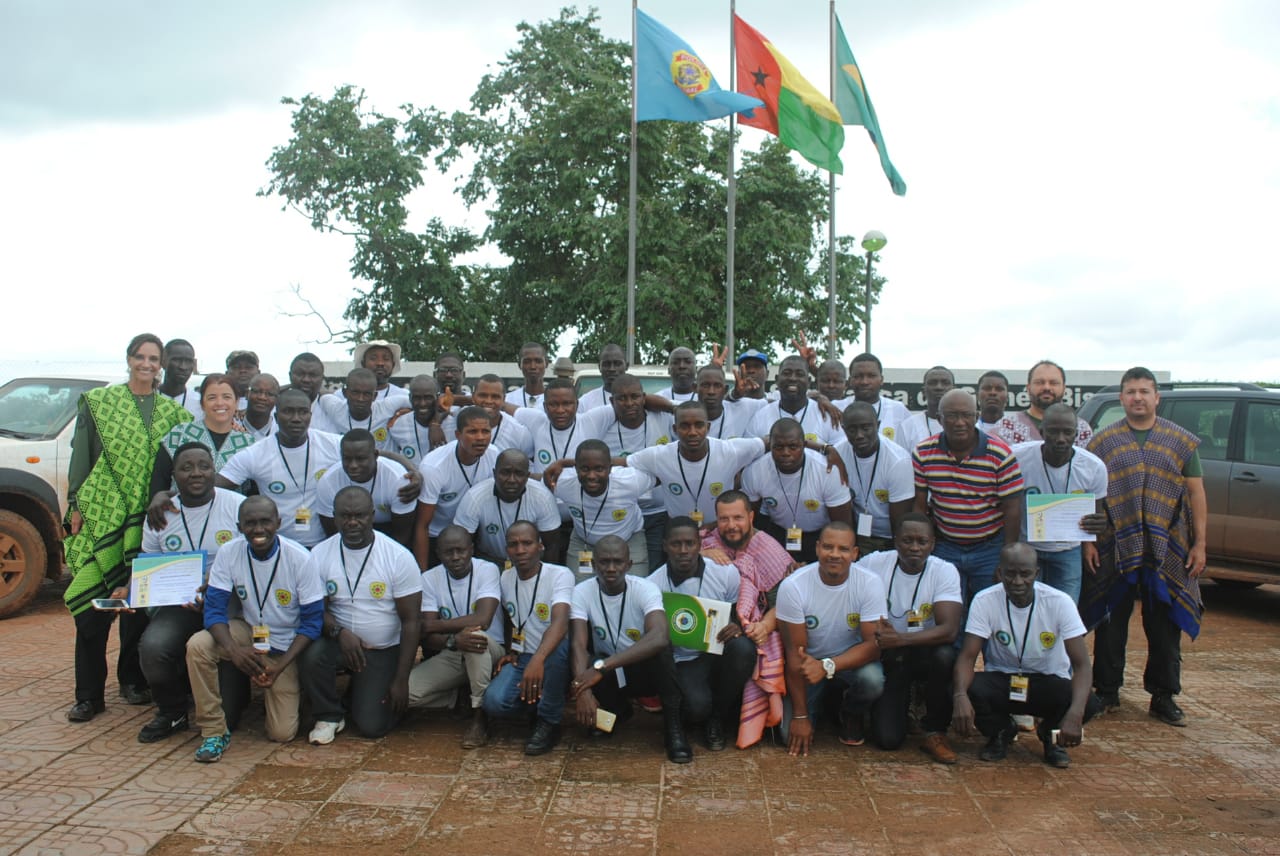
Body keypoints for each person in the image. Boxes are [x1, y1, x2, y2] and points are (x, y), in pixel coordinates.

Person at [64, 333, 192, 722]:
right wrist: (75, 503)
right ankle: (88, 695)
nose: (147, 364)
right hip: (102, 514)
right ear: (129, 359)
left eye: (154, 358)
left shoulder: (175, 415)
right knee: (91, 605)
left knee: (136, 607)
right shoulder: (101, 403)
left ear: (162, 364)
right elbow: (82, 455)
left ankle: (132, 681)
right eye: (141, 356)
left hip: (149, 524)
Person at [1084, 367, 1207, 726]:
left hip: (1168, 544)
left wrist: (1199, 544)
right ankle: (1106, 690)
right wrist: (1089, 542)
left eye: (1144, 391)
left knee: (1165, 621)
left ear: (1157, 398)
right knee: (1111, 619)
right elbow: (1090, 495)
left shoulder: (1181, 441)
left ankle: (1164, 694)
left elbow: (1196, 492)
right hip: (1115, 543)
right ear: (1121, 398)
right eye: (1131, 392)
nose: (1138, 397)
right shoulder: (1102, 442)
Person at [185, 496, 324, 762]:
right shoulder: (229, 552)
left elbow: (312, 623)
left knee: (281, 733)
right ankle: (214, 730)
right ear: (239, 526)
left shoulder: (300, 558)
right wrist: (233, 651)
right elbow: (214, 611)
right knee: (198, 646)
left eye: (265, 522)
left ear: (278, 523)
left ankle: (299, 691)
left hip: (284, 643)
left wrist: (279, 666)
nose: (258, 530)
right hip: (247, 630)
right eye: (250, 523)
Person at [952, 543, 1103, 768]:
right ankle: (1002, 731)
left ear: (1037, 573)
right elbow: (967, 656)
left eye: (1025, 574)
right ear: (999, 572)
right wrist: (960, 696)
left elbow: (1081, 665)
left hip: (1047, 682)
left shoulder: (1060, 602)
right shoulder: (985, 600)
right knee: (961, 688)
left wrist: (1075, 714)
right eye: (1010, 574)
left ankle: (1051, 736)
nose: (1018, 581)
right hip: (1004, 681)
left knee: (1088, 702)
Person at [136, 442, 245, 743]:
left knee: (232, 717)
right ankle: (172, 712)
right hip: (180, 604)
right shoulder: (161, 514)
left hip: (230, 605)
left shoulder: (236, 506)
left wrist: (218, 587)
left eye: (203, 466)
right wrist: (135, 591)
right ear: (174, 475)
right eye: (186, 467)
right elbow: (150, 565)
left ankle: (235, 696)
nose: (196, 473)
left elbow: (254, 560)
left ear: (214, 470)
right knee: (154, 647)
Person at [299, 487, 422, 743]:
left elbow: (411, 622)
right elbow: (314, 611)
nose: (352, 522)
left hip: (383, 648)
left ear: (373, 515)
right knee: (312, 655)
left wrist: (401, 679)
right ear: (334, 517)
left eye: (360, 515)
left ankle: (362, 692)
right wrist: (339, 632)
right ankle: (329, 715)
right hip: (340, 643)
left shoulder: (398, 557)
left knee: (371, 726)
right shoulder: (319, 554)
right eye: (345, 516)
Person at [568, 535, 692, 763]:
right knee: (582, 657)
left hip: (642, 669)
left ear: (629, 564)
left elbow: (659, 636)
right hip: (610, 673)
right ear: (594, 565)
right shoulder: (581, 591)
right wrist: (582, 690)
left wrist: (603, 666)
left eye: (617, 562)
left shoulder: (646, 588)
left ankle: (674, 729)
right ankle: (617, 712)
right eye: (604, 562)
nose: (611, 568)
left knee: (662, 653)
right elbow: (577, 643)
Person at [776, 522, 886, 754]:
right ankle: (823, 705)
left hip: (849, 662)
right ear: (817, 548)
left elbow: (873, 647)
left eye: (843, 549)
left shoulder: (870, 583)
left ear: (855, 553)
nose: (835, 554)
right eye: (828, 547)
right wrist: (800, 716)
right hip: (808, 668)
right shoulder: (793, 586)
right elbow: (795, 655)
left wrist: (828, 666)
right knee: (788, 735)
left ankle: (850, 712)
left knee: (873, 680)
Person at [861, 513, 963, 763]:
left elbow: (949, 629)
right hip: (890, 655)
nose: (915, 547)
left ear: (933, 543)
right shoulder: (874, 563)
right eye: (907, 540)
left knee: (946, 655)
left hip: (925, 652)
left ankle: (934, 729)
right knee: (888, 740)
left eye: (922, 541)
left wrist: (901, 639)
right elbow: (845, 579)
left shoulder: (944, 571)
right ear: (895, 541)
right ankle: (901, 708)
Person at [650, 517, 756, 751]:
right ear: (665, 545)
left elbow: (735, 612)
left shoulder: (725, 573)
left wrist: (736, 626)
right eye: (676, 544)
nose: (684, 551)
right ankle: (702, 712)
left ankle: (717, 718)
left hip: (717, 651)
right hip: (684, 659)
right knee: (696, 709)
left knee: (743, 649)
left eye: (689, 543)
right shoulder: (653, 584)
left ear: (700, 544)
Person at [700, 490, 796, 748]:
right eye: (723, 519)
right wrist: (703, 555)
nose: (731, 526)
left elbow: (783, 603)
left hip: (754, 626)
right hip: (710, 623)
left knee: (744, 650)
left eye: (738, 518)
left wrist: (763, 625)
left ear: (751, 517)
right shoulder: (707, 545)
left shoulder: (768, 548)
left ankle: (722, 716)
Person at [913, 389, 1024, 607]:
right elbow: (919, 505)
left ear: (976, 416)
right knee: (949, 609)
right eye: (952, 416)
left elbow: (1012, 509)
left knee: (988, 608)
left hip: (989, 548)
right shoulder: (924, 452)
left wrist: (1006, 556)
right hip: (946, 546)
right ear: (939, 419)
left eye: (967, 415)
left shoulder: (1000, 454)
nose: (960, 422)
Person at [483, 521, 575, 755]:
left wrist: (538, 660)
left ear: (540, 546)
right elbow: (511, 618)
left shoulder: (559, 575)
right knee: (494, 702)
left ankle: (549, 721)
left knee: (560, 648)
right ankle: (538, 701)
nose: (520, 550)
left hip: (552, 656)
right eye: (513, 545)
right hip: (523, 656)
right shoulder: (505, 578)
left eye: (527, 543)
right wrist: (510, 651)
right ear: (507, 550)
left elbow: (561, 623)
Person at [408, 525, 504, 748]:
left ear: (471, 549)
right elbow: (427, 637)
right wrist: (452, 640)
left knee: (476, 637)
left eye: (461, 550)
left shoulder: (488, 570)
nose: (455, 557)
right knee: (408, 694)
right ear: (438, 554)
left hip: (491, 649)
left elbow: (483, 618)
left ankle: (480, 717)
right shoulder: (429, 578)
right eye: (448, 552)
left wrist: (437, 625)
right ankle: (457, 698)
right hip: (453, 650)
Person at [211, 389, 341, 550]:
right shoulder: (256, 454)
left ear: (310, 416)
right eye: (288, 412)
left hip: (324, 545)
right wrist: (172, 497)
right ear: (276, 417)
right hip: (277, 547)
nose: (296, 419)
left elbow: (371, 455)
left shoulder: (333, 445)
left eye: (303, 412)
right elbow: (215, 487)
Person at [1011, 404, 1110, 604]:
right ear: (1041, 431)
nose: (1061, 439)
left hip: (1068, 550)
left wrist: (1098, 525)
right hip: (1027, 547)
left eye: (1068, 432)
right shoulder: (1016, 458)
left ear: (1076, 434)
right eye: (1053, 431)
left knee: (1065, 609)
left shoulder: (1094, 467)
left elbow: (1097, 514)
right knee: (1025, 605)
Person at [576, 373, 674, 571]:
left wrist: (670, 406)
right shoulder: (602, 425)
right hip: (615, 515)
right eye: (622, 398)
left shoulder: (663, 417)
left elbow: (689, 413)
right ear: (612, 401)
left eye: (635, 396)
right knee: (611, 573)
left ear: (644, 398)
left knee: (652, 570)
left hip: (658, 513)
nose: (629, 403)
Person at [624, 400, 766, 526]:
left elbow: (769, 442)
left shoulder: (730, 451)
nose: (692, 432)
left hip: (720, 529)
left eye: (699, 425)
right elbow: (621, 462)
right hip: (679, 532)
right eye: (685, 426)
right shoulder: (659, 456)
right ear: (675, 429)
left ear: (708, 427)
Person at [741, 419, 852, 562]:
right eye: (778, 447)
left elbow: (842, 524)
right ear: (770, 446)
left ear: (804, 445)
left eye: (793, 447)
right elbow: (751, 519)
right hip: (777, 534)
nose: (785, 453)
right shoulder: (755, 471)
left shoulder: (827, 471)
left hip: (820, 537)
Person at [545, 440, 654, 578]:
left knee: (636, 588)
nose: (591, 476)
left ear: (610, 468)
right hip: (585, 545)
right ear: (576, 468)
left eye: (599, 469)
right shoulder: (563, 482)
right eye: (585, 469)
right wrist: (561, 464)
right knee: (579, 590)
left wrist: (564, 462)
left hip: (629, 542)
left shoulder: (630, 481)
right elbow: (543, 480)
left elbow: (660, 474)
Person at [413, 406, 498, 570]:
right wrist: (421, 575)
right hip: (438, 537)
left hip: (475, 534)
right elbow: (422, 525)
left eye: (485, 431)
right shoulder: (434, 466)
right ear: (458, 435)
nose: (480, 438)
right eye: (472, 432)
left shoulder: (494, 455)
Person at [151, 373, 255, 495]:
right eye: (212, 397)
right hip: (181, 511)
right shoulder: (180, 434)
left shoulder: (249, 444)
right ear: (202, 403)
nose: (219, 403)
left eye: (226, 397)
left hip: (230, 512)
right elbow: (160, 479)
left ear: (236, 402)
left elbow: (252, 490)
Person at [454, 449, 562, 564]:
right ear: (494, 473)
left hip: (531, 563)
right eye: (505, 472)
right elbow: (461, 545)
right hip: (490, 562)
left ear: (527, 476)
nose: (511, 480)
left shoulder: (542, 497)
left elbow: (552, 546)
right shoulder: (474, 497)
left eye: (519, 474)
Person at [833, 401, 914, 555]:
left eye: (866, 428)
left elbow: (900, 522)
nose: (859, 435)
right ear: (843, 429)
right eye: (852, 429)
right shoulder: (838, 453)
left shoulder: (897, 460)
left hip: (889, 538)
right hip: (856, 535)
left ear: (878, 425)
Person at [316, 429, 417, 546]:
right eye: (347, 459)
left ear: (375, 455)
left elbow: (402, 535)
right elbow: (333, 535)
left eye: (360, 459)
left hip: (390, 529)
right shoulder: (328, 482)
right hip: (348, 531)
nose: (353, 465)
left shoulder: (397, 478)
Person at [994, 360, 1094, 448]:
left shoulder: (1081, 429)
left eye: (1053, 383)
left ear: (1064, 389)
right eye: (1039, 382)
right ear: (1028, 388)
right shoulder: (1006, 427)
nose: (1046, 387)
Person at [747, 355, 842, 446]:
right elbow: (749, 455)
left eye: (799, 374)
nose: (793, 378)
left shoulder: (827, 416)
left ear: (809, 382)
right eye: (787, 373)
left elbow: (837, 455)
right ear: (777, 380)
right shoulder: (759, 417)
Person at [313, 368, 398, 446]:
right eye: (355, 393)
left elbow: (410, 399)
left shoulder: (386, 407)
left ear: (374, 396)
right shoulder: (335, 408)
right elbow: (323, 395)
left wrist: (404, 411)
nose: (360, 399)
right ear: (345, 393)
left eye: (367, 394)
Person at [847, 353, 910, 444]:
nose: (865, 382)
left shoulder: (898, 409)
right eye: (858, 376)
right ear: (850, 381)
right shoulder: (836, 408)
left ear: (881, 380)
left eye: (871, 376)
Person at [472, 373, 535, 457]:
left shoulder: (519, 433)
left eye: (495, 397)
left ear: (504, 399)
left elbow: (529, 464)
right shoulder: (460, 421)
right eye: (483, 395)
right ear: (473, 397)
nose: (488, 401)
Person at [696, 363, 763, 440]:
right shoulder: (683, 414)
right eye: (705, 385)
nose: (711, 391)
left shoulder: (742, 408)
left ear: (725, 390)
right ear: (695, 388)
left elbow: (773, 403)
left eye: (717, 386)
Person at [896, 366, 954, 453]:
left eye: (945, 383)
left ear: (954, 390)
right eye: (933, 383)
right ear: (923, 391)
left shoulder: (966, 424)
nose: (939, 387)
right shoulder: (908, 425)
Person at [386, 375, 443, 462]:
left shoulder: (453, 422)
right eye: (417, 398)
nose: (422, 403)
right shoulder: (397, 426)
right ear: (409, 398)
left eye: (428, 397)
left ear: (438, 397)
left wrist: (435, 423)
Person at [350, 340, 410, 407]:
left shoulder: (405, 396)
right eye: (373, 358)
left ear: (393, 365)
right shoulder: (343, 396)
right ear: (363, 363)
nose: (380, 363)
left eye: (386, 359)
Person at [158, 338, 202, 418]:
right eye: (176, 360)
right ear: (163, 362)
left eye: (189, 361)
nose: (183, 367)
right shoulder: (146, 400)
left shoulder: (200, 403)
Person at [578, 343, 628, 412]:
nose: (612, 369)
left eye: (617, 364)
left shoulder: (638, 400)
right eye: (606, 364)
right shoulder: (584, 403)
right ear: (599, 367)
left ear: (627, 366)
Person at [506, 342, 549, 408]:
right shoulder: (507, 400)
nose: (533, 367)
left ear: (546, 364)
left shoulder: (556, 400)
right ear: (520, 365)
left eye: (538, 361)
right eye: (527, 362)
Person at [242, 373, 280, 441]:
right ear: (247, 394)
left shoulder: (281, 431)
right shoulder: (230, 427)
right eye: (257, 391)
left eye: (270, 394)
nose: (262, 397)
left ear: (277, 399)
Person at [976, 370, 1010, 435]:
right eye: (987, 388)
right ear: (978, 395)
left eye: (999, 389)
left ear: (1007, 397)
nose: (993, 393)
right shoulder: (970, 431)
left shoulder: (1017, 432)